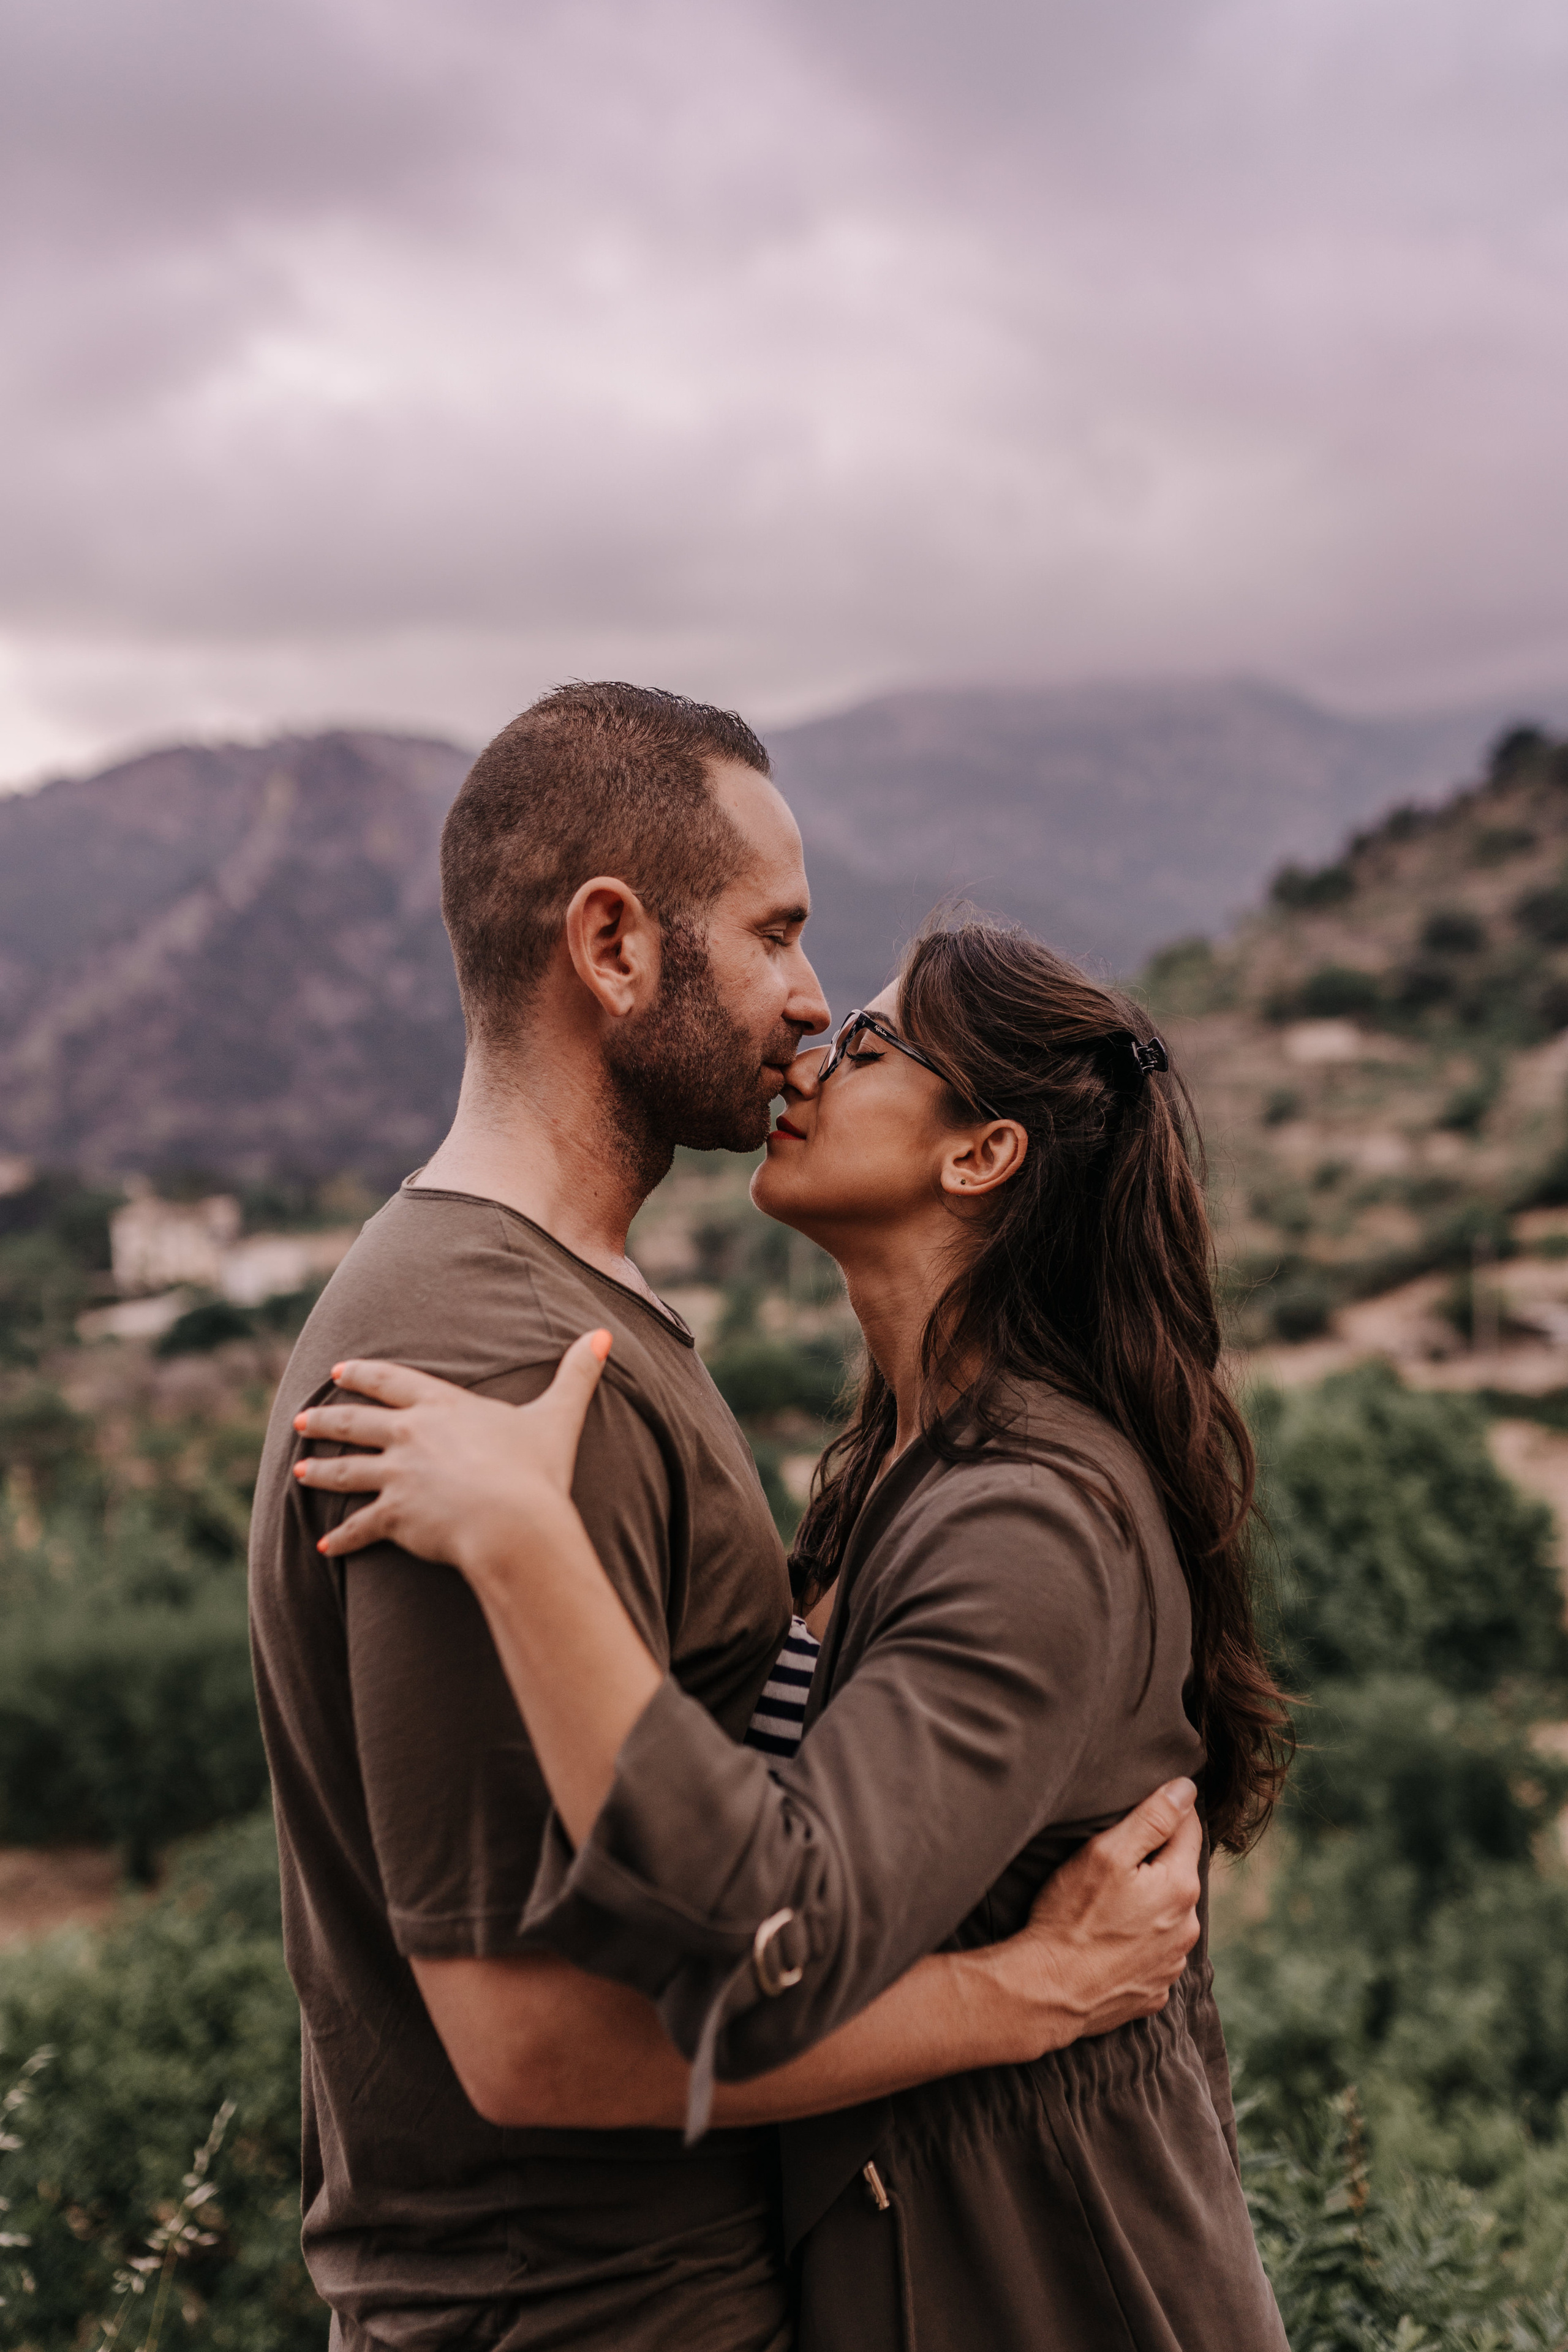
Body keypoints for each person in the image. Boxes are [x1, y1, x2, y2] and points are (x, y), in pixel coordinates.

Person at [250, 684, 1207, 2352]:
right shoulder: (495, 1361)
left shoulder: (608, 1333)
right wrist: (1024, 1991)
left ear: (986, 1158)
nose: (811, 1003)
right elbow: (530, 2041)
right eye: (776, 934)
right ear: (614, 946)